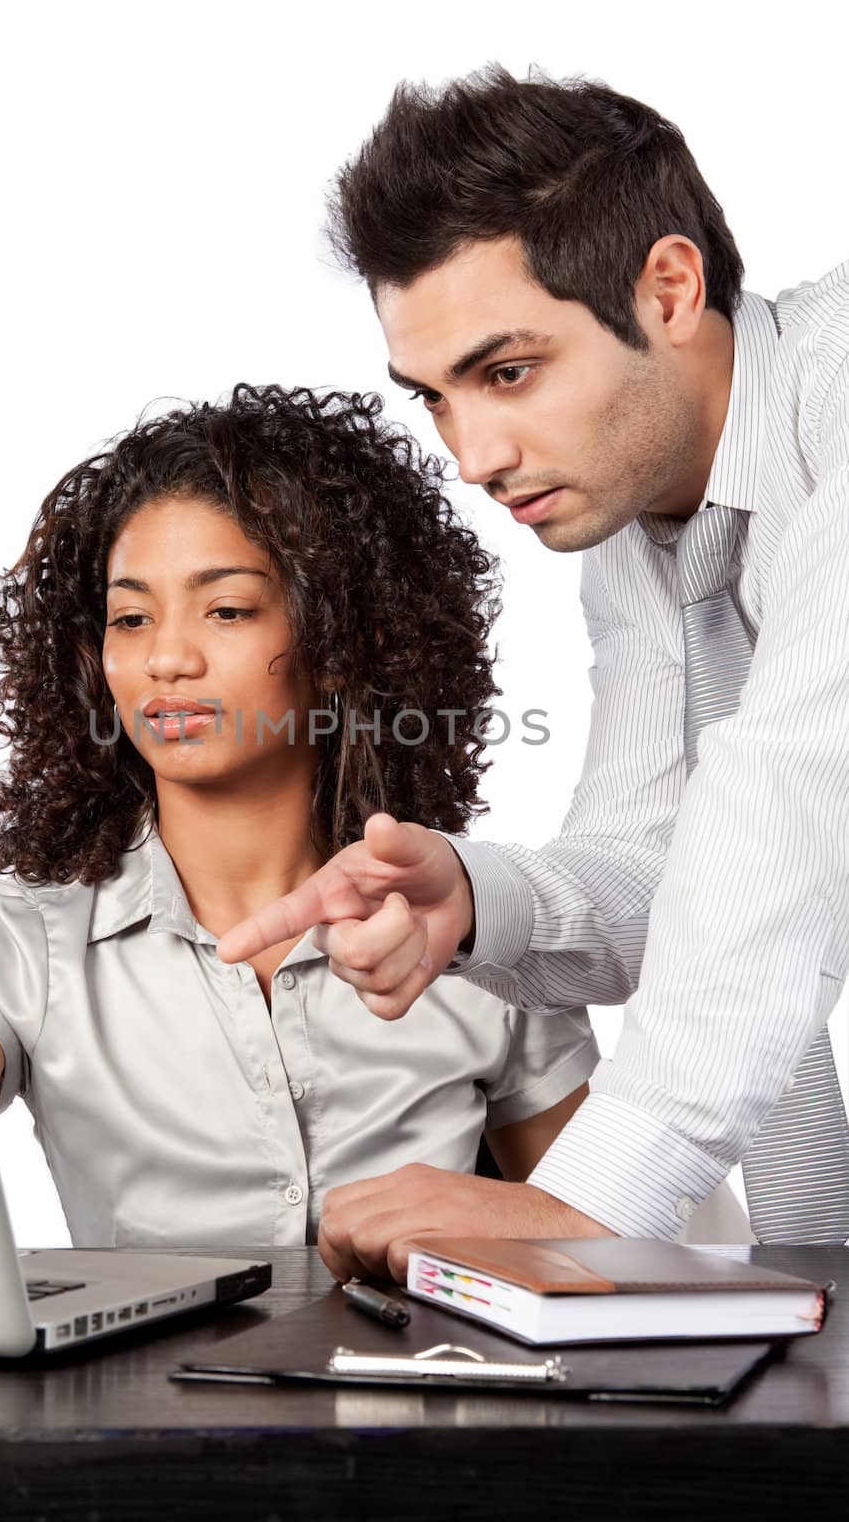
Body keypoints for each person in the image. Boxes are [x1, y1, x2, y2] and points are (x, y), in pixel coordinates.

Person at [217, 66, 849, 1278]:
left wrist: (597, 1194)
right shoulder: (639, 528)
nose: (471, 455)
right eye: (435, 399)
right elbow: (669, 861)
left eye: (506, 373)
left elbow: (796, 797)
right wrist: (474, 895)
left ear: (668, 287)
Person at [0, 384, 598, 1248]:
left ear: (335, 642)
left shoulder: (470, 922)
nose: (167, 659)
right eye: (130, 618)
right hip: (136, 1388)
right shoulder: (25, 930)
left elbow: (616, 1238)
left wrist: (508, 1229)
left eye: (226, 610)